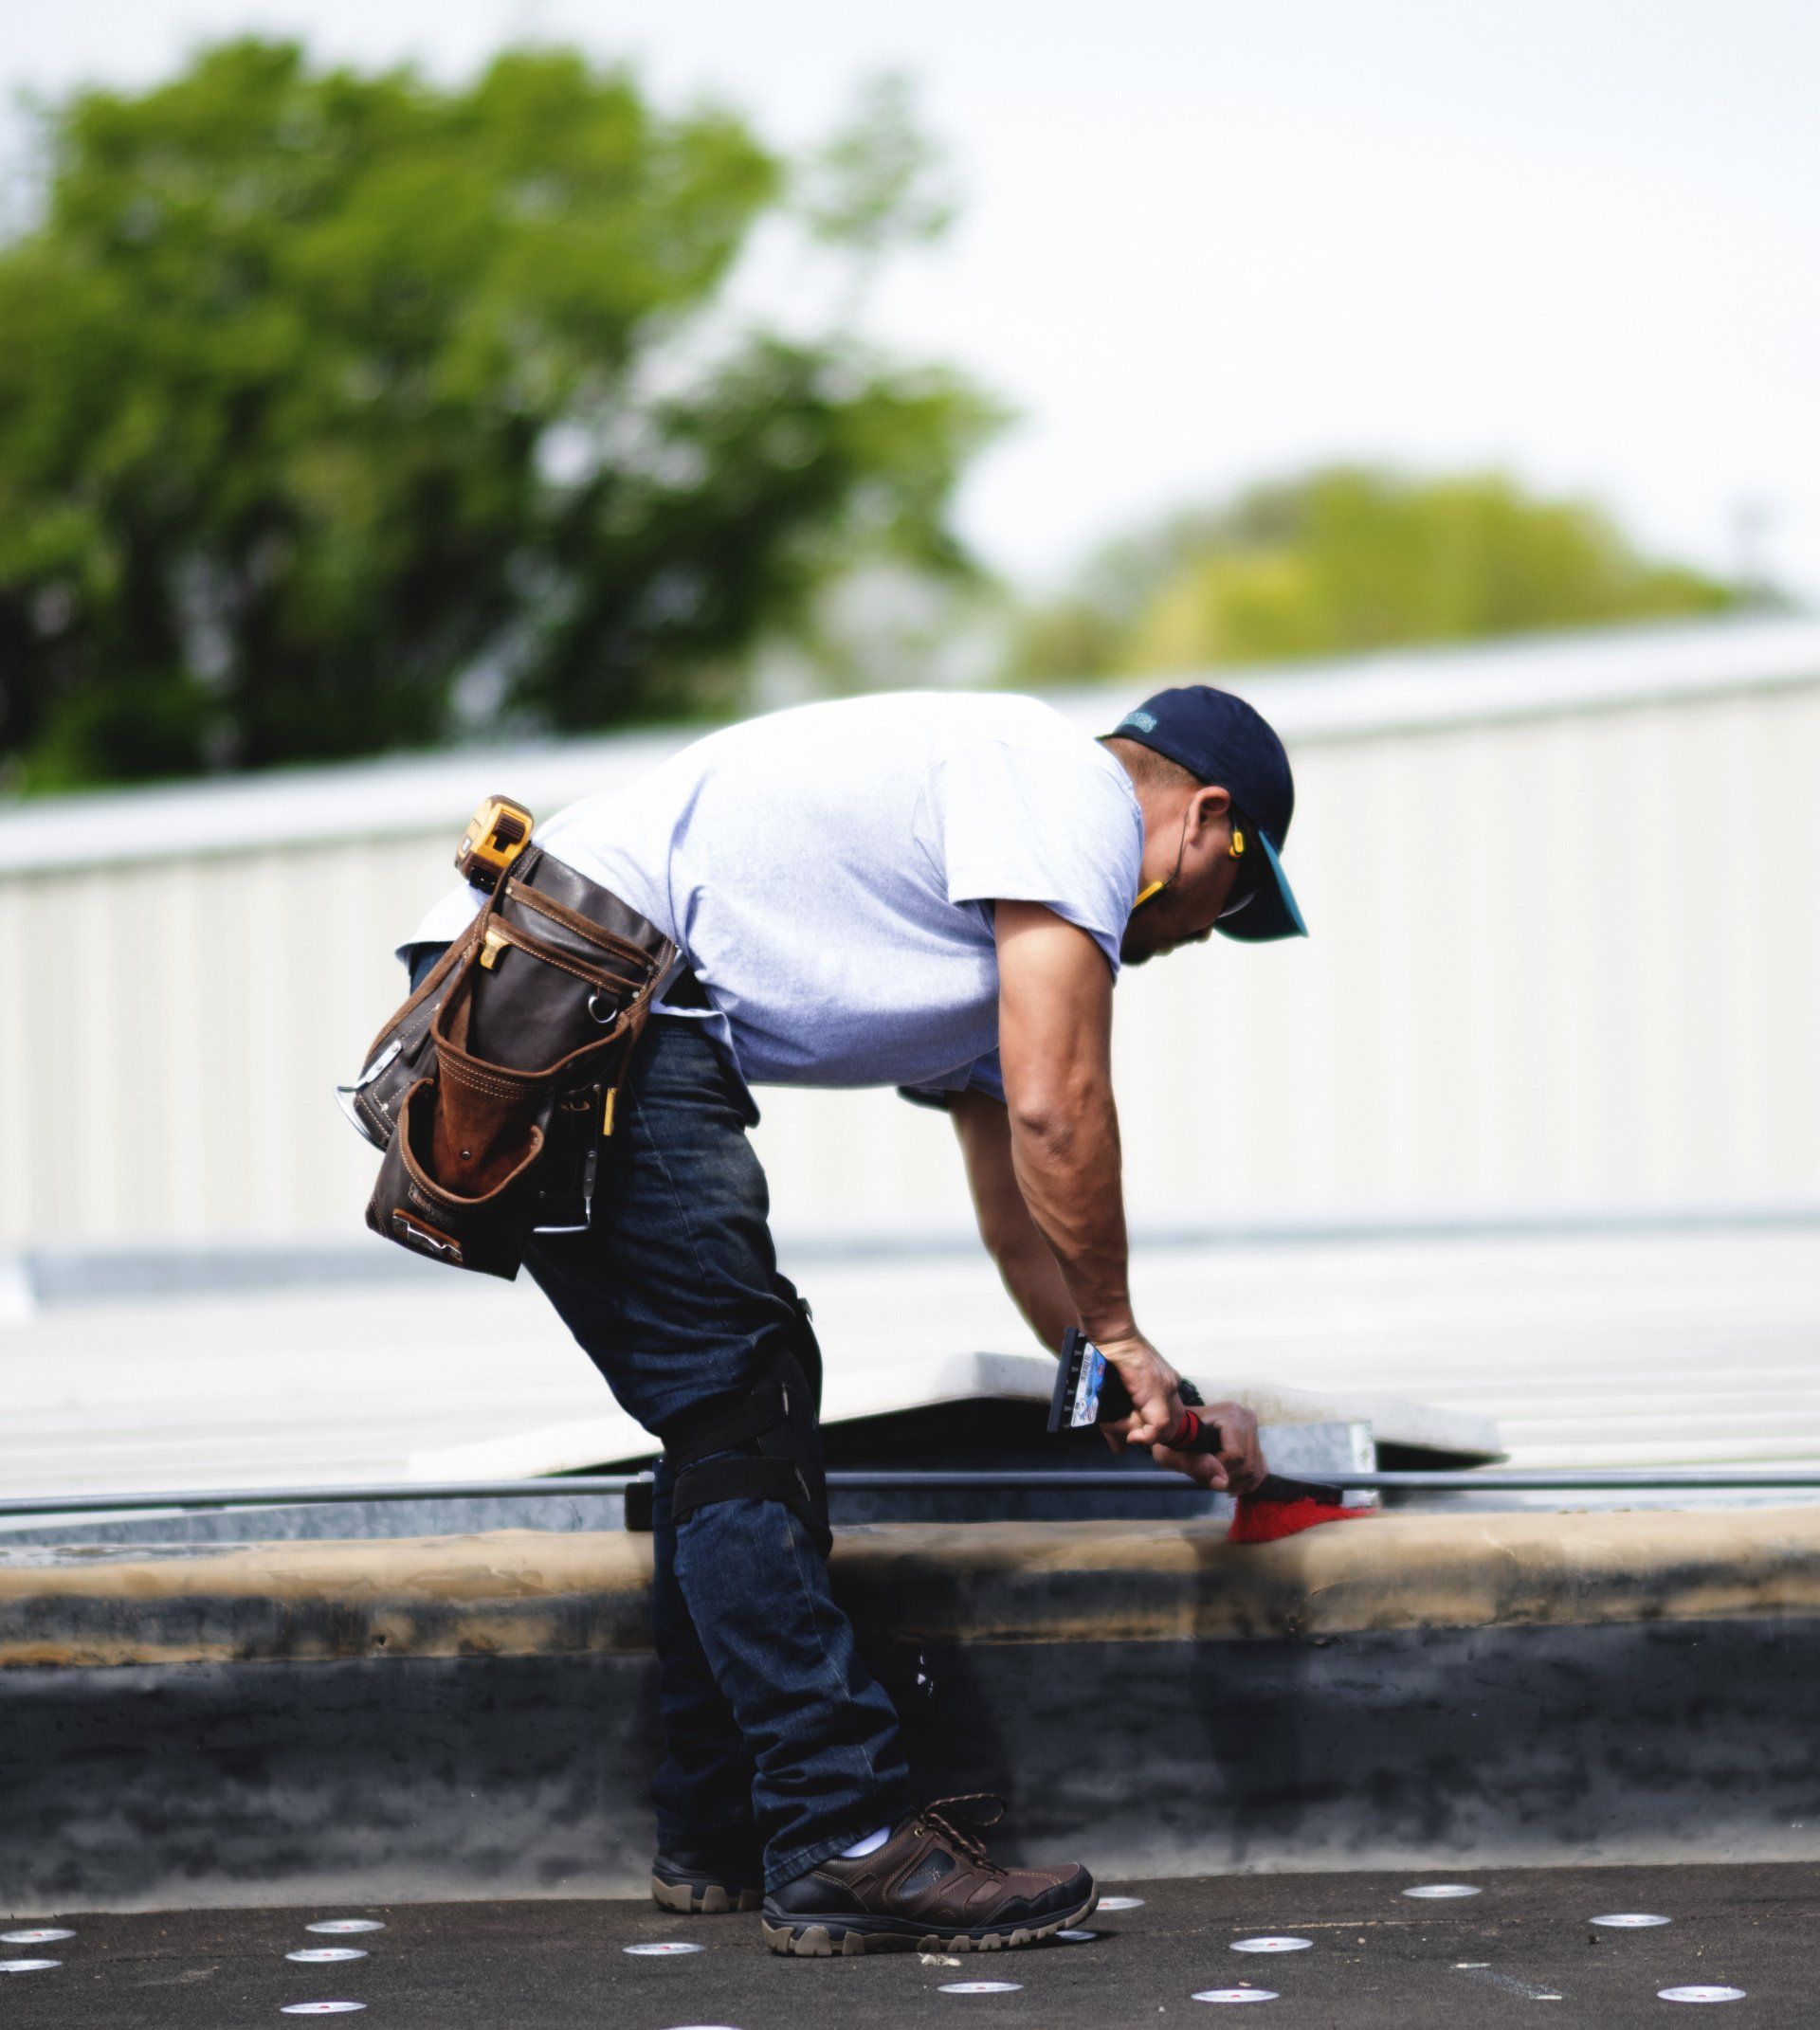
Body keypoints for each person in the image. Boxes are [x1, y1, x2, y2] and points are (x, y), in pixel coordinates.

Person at [397, 681, 1306, 1956]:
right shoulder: (1071, 796)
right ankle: (843, 1833)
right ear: (1206, 820)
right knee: (740, 1393)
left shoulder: (1006, 911)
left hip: (569, 984)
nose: (1213, 932)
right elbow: (1061, 1104)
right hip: (582, 984)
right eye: (1239, 897)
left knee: (730, 1405)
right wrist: (1119, 1327)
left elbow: (1017, 1213)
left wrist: (1133, 1380)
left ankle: (719, 1827)